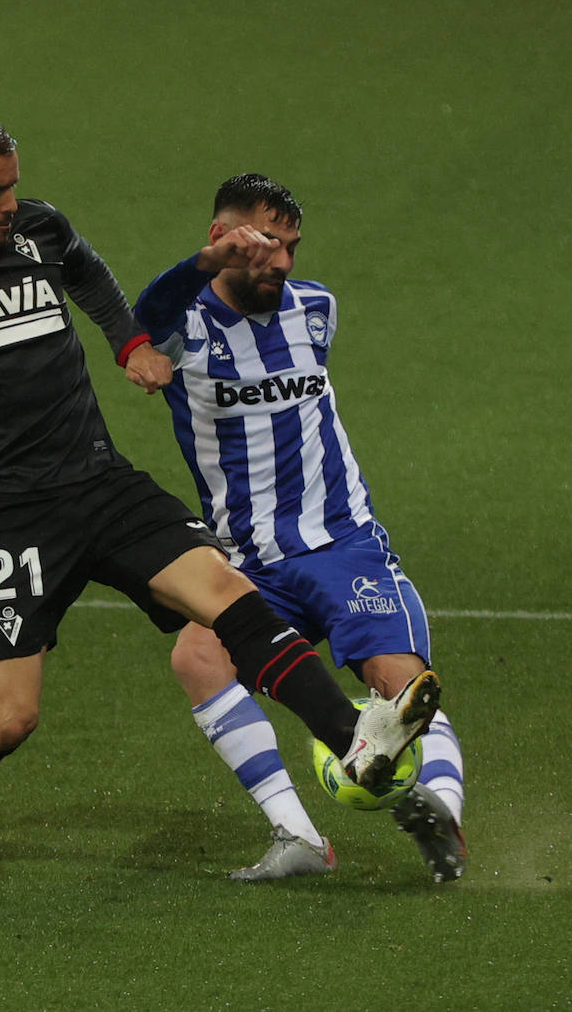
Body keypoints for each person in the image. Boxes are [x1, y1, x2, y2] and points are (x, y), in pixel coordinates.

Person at [0, 109, 439, 878]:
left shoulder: (36, 229)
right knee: (8, 716)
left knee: (226, 590)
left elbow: (82, 266)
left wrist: (128, 341)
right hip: (8, 513)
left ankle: (355, 734)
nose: (10, 204)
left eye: (13, 185)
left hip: (98, 479)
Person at [132, 174, 468, 883]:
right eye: (265, 245)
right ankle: (298, 835)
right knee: (198, 657)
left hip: (342, 542)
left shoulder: (315, 310)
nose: (282, 262)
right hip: (248, 559)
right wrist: (205, 264)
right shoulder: (185, 326)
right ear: (224, 240)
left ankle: (441, 812)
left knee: (401, 687)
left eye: (290, 246)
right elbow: (146, 310)